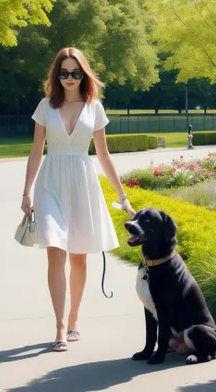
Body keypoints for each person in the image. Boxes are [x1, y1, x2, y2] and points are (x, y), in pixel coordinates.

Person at [21, 47, 136, 352]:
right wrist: (26, 192)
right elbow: (36, 150)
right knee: (56, 250)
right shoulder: (45, 106)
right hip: (51, 182)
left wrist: (123, 196)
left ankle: (74, 319)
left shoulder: (94, 107)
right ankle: (59, 326)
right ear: (56, 75)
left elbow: (103, 154)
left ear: (83, 74)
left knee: (79, 256)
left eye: (75, 72)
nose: (69, 78)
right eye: (64, 72)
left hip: (82, 182)